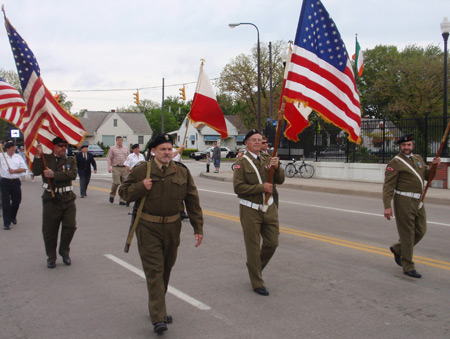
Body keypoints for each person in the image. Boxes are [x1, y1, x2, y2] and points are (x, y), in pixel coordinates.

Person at [119, 133, 203, 334]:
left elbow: (192, 201)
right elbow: (123, 192)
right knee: (155, 271)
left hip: (173, 227)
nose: (167, 153)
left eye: (169, 149)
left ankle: (158, 307)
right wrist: (141, 187)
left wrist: (198, 227)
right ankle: (158, 317)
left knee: (166, 269)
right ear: (153, 151)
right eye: (162, 149)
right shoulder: (142, 171)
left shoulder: (181, 171)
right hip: (148, 227)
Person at [233, 129, 285, 296]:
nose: (257, 142)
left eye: (259, 139)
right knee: (253, 247)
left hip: (269, 208)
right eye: (253, 140)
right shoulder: (241, 162)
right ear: (246, 143)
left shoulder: (267, 158)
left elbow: (280, 180)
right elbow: (238, 188)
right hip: (250, 209)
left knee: (272, 243)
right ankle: (257, 282)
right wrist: (261, 188)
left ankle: (254, 267)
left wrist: (277, 167)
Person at [383, 134, 441, 279]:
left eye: (409, 145)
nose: (406, 147)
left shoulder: (418, 159)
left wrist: (435, 166)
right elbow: (388, 186)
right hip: (403, 200)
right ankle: (408, 265)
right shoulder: (395, 163)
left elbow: (428, 177)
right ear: (400, 147)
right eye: (404, 145)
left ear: (413, 146)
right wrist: (387, 206)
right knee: (407, 234)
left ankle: (397, 248)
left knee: (421, 230)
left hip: (418, 201)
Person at [32, 137, 78, 269]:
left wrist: (54, 175)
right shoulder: (46, 159)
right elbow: (35, 172)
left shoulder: (70, 160)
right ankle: (51, 257)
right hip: (51, 199)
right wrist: (37, 155)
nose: (63, 148)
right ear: (54, 146)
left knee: (70, 226)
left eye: (65, 146)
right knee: (49, 230)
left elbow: (72, 174)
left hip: (68, 198)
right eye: (60, 146)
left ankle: (64, 251)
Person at [0, 141, 27, 230]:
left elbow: (24, 169)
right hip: (5, 182)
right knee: (5, 203)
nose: (14, 149)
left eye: (14, 148)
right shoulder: (1, 156)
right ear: (7, 149)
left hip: (15, 182)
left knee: (17, 201)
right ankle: (6, 223)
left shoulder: (18, 157)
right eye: (12, 148)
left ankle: (12, 215)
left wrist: (14, 171)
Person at [106, 136, 129, 205]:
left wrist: (129, 168)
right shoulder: (112, 148)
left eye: (121, 140)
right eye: (119, 140)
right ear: (116, 141)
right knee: (116, 182)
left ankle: (122, 199)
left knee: (124, 184)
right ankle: (112, 195)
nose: (120, 141)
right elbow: (109, 158)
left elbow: (129, 158)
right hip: (116, 167)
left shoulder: (126, 149)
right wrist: (109, 167)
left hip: (124, 167)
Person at [260, 136, 279, 208]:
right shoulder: (258, 155)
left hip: (272, 185)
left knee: (275, 206)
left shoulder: (272, 152)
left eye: (267, 142)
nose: (265, 144)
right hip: (265, 185)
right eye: (263, 143)